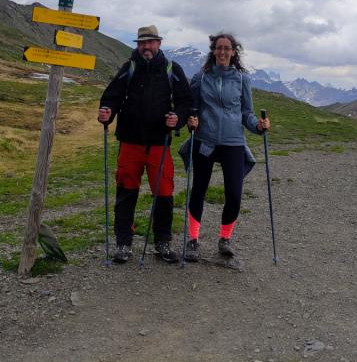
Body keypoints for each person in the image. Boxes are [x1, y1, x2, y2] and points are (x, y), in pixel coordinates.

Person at [98, 25, 192, 264]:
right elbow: (112, 97)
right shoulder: (129, 68)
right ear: (138, 45)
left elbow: (185, 101)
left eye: (150, 42)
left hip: (159, 143)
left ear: (159, 43)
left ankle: (162, 242)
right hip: (130, 142)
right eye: (142, 43)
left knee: (164, 193)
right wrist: (107, 111)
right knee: (126, 192)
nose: (146, 47)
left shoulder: (172, 69)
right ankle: (123, 243)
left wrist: (178, 118)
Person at [184, 32, 270, 260]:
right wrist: (191, 121)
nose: (222, 52)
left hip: (233, 142)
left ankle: (225, 239)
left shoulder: (242, 79)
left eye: (227, 48)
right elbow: (193, 109)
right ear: (213, 51)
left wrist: (258, 126)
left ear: (233, 52)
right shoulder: (201, 78)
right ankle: (192, 240)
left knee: (234, 193)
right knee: (199, 190)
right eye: (219, 48)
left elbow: (246, 113)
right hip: (205, 140)